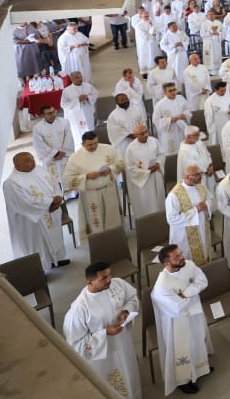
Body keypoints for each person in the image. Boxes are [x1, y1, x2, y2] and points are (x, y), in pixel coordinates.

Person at [63, 261, 141, 399]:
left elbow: (132, 297)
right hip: (104, 356)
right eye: (103, 278)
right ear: (90, 282)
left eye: (109, 275)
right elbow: (75, 344)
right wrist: (105, 333)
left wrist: (126, 310)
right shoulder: (79, 309)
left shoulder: (117, 284)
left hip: (123, 342)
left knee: (129, 373)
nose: (109, 280)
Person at [151, 244, 212, 395]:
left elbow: (203, 281)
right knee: (183, 350)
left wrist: (185, 294)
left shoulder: (188, 265)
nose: (182, 257)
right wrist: (193, 292)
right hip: (177, 322)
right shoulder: (162, 285)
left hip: (195, 313)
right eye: (176, 257)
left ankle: (200, 368)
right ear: (166, 263)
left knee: (198, 341)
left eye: (180, 253)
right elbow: (177, 308)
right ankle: (183, 381)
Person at [2, 152, 69, 268]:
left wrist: (58, 199)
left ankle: (56, 260)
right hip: (32, 223)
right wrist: (51, 201)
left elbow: (54, 184)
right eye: (27, 161)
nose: (32, 162)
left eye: (32, 158)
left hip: (52, 211)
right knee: (38, 245)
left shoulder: (39, 169)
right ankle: (40, 269)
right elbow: (25, 204)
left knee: (54, 238)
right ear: (17, 166)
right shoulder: (11, 183)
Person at [62, 132, 124, 235]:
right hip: (91, 194)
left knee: (112, 218)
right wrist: (86, 176)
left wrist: (110, 169)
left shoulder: (108, 149)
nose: (94, 146)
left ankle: (116, 238)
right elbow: (67, 179)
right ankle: (100, 243)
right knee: (96, 222)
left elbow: (120, 163)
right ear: (82, 144)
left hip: (109, 190)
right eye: (90, 145)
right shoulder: (75, 158)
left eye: (96, 143)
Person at [166, 166, 213, 266]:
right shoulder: (174, 195)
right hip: (185, 235)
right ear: (187, 177)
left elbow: (210, 198)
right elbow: (172, 219)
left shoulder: (201, 185)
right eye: (197, 175)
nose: (200, 176)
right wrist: (195, 210)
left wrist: (206, 205)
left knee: (204, 254)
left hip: (202, 228)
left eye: (200, 173)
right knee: (188, 263)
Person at [122, 124, 165, 217]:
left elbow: (161, 154)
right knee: (148, 206)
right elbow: (130, 169)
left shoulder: (154, 141)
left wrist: (158, 164)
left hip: (156, 177)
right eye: (142, 134)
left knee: (159, 202)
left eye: (146, 131)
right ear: (135, 135)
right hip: (143, 182)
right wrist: (146, 171)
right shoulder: (130, 149)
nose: (145, 135)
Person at [32, 104, 75, 190]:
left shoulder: (64, 122)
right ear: (43, 115)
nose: (53, 114)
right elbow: (39, 145)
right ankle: (58, 194)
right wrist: (55, 154)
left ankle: (71, 194)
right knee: (54, 178)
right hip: (51, 159)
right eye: (49, 113)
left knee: (67, 174)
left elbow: (69, 138)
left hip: (64, 155)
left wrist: (62, 153)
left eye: (54, 112)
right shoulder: (38, 128)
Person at [60, 71, 99, 138]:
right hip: (76, 114)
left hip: (87, 112)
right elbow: (63, 104)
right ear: (71, 79)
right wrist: (78, 100)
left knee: (90, 128)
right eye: (77, 78)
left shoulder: (88, 86)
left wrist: (88, 97)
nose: (80, 79)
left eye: (81, 77)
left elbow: (95, 94)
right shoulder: (66, 90)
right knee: (79, 132)